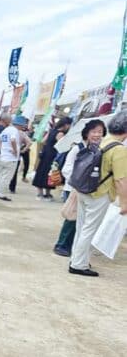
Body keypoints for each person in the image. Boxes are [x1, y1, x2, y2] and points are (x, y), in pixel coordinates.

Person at [68, 111, 127, 276]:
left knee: (82, 227)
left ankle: (77, 259)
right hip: (100, 193)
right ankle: (78, 265)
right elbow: (121, 180)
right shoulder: (119, 150)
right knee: (90, 229)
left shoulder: (103, 141)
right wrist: (125, 203)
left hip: (85, 189)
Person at [53, 120, 106, 257]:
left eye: (100, 132)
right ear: (87, 133)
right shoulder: (78, 148)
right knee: (72, 218)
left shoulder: (101, 149)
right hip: (74, 189)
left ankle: (76, 247)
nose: (97, 135)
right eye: (94, 131)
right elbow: (67, 169)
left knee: (84, 221)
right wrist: (80, 180)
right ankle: (62, 245)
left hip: (91, 190)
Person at [33, 116, 73, 201]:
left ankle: (40, 194)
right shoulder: (60, 134)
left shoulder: (51, 131)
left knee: (41, 172)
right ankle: (47, 194)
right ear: (66, 125)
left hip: (45, 154)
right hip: (53, 155)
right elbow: (62, 145)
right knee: (50, 174)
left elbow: (43, 141)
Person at [0, 116, 26, 201]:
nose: (22, 127)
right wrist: (15, 150)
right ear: (19, 125)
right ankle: (0, 193)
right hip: (11, 158)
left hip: (4, 156)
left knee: (1, 175)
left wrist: (2, 149)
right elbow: (12, 140)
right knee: (7, 177)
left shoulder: (6, 129)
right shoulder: (14, 131)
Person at [8, 121, 32, 193]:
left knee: (9, 170)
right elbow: (30, 142)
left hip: (10, 152)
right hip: (18, 151)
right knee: (15, 170)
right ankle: (12, 188)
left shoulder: (9, 131)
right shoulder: (21, 133)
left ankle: (6, 185)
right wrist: (24, 149)